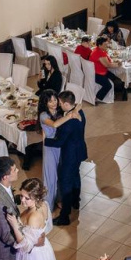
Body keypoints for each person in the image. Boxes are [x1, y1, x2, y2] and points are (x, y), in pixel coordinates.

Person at [44, 91, 88, 226]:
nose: (59, 105)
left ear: (67, 104)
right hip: (79, 150)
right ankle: (75, 201)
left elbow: (59, 142)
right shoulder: (80, 112)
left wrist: (45, 141)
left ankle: (64, 216)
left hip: (70, 155)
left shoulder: (69, 122)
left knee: (65, 183)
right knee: (75, 175)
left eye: (60, 103)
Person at [37, 90, 81, 211]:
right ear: (45, 103)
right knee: (50, 177)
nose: (54, 103)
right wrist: (70, 115)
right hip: (50, 148)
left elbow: (79, 104)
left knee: (60, 175)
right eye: (50, 101)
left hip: (60, 146)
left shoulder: (59, 111)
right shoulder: (43, 115)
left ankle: (59, 199)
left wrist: (75, 109)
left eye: (55, 100)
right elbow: (55, 125)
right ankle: (48, 205)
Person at [90, 36, 125, 102]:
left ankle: (115, 93)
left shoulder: (98, 50)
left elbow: (108, 61)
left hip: (100, 71)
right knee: (108, 86)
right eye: (105, 44)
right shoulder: (99, 53)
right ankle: (97, 98)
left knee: (116, 78)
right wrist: (118, 65)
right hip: (97, 74)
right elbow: (108, 65)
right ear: (100, 45)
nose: (107, 46)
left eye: (107, 44)